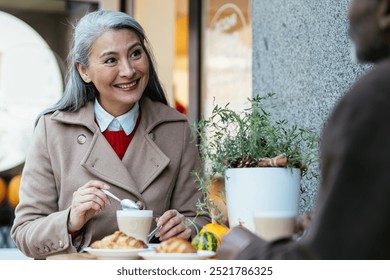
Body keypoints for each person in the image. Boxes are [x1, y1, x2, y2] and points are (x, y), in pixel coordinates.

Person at [11, 10, 209, 259]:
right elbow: (25, 232)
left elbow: (201, 220)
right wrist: (71, 221)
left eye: (135, 54)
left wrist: (186, 228)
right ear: (84, 71)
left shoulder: (176, 129)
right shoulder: (53, 130)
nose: (128, 71)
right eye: (110, 60)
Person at [217, 0, 390, 259]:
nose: (347, 11)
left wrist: (245, 251)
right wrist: (330, 226)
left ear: (386, 11)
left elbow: (331, 264)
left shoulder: (375, 99)